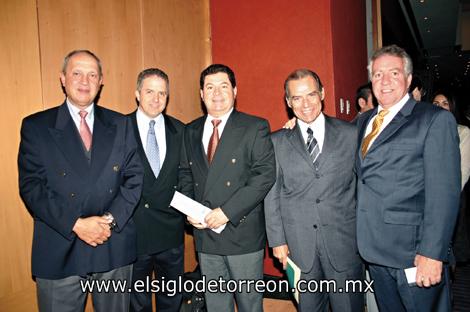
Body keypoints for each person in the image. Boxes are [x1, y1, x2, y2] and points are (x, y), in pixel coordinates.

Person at [18, 50, 144, 311]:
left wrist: (108, 221)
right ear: (63, 78)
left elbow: (134, 178)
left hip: (112, 243)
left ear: (101, 82)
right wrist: (75, 224)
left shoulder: (121, 124)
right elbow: (32, 187)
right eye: (77, 73)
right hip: (60, 245)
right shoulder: (36, 126)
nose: (84, 81)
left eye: (92, 74)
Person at [356, 45, 461, 311]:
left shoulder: (433, 120)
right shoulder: (362, 122)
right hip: (374, 251)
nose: (385, 81)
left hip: (414, 255)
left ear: (409, 78)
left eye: (394, 72)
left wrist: (432, 253)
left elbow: (444, 194)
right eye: (378, 75)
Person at [178, 64, 276, 312]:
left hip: (240, 233)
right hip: (205, 233)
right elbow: (185, 173)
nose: (217, 93)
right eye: (209, 87)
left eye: (223, 86)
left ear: (234, 90)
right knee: (216, 305)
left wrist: (226, 212)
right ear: (201, 93)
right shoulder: (190, 130)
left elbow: (264, 175)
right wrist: (191, 213)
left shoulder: (255, 127)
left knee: (249, 305)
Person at [264, 69, 364, 311]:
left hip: (344, 242)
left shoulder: (350, 134)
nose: (305, 104)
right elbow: (272, 193)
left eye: (311, 95)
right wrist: (277, 240)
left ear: (322, 94)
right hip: (298, 247)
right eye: (297, 98)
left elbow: (363, 187)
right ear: (288, 102)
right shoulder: (276, 141)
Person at [129, 68, 185, 311]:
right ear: (137, 94)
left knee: (171, 301)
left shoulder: (181, 130)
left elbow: (187, 176)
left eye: (162, 93)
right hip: (132, 233)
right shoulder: (118, 128)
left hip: (170, 234)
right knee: (136, 304)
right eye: (149, 91)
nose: (156, 98)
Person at [432, 90, 470, 263]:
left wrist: (447, 200)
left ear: (452, 107)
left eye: (445, 103)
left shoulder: (462, 132)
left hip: (451, 197)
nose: (440, 107)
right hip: (428, 196)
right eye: (436, 104)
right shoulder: (426, 130)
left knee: (449, 247)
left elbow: (464, 170)